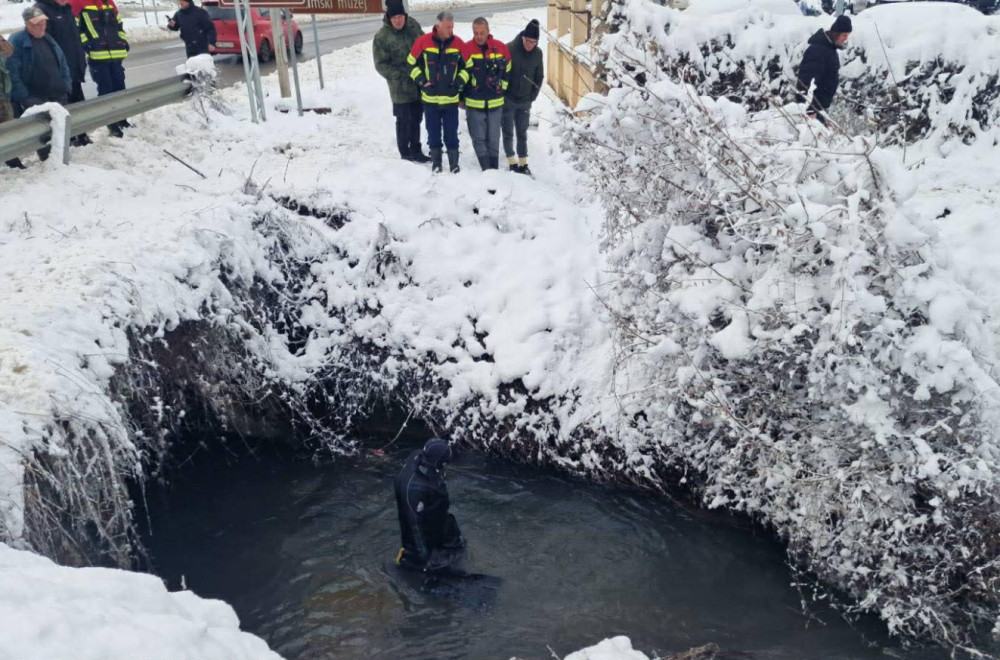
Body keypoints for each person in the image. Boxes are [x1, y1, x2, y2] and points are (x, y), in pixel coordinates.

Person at [7, 6, 72, 161]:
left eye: (43, 23)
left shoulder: (47, 38)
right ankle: (48, 162)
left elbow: (62, 64)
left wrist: (66, 87)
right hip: (35, 98)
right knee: (43, 134)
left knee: (60, 132)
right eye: (37, 24)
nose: (42, 26)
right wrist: (25, 97)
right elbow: (12, 73)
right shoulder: (17, 41)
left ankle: (61, 161)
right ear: (27, 24)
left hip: (57, 94)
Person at [407, 11, 469, 173]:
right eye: (448, 27)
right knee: (433, 133)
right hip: (430, 100)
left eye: (452, 27)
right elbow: (410, 64)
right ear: (438, 26)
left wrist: (458, 82)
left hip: (451, 100)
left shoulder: (458, 44)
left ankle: (454, 164)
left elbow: (468, 67)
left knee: (451, 134)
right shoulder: (423, 42)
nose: (451, 30)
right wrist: (422, 82)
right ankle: (436, 163)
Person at [394, 438, 466, 572]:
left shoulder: (419, 456)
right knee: (421, 555)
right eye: (444, 463)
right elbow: (413, 525)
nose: (445, 466)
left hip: (432, 510)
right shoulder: (417, 488)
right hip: (417, 518)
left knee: (453, 536)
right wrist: (424, 558)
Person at [373, 0, 429, 163]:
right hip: (399, 87)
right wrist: (398, 76)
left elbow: (425, 44)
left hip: (418, 82)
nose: (398, 20)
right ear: (389, 18)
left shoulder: (413, 26)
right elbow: (380, 64)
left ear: (405, 15)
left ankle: (416, 150)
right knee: (403, 120)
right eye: (394, 18)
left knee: (417, 117)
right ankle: (405, 154)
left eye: (400, 17)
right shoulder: (382, 37)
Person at [35, 0, 91, 146]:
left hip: (73, 67)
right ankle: (68, 139)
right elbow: (42, 43)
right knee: (63, 107)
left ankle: (82, 135)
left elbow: (75, 38)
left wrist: (80, 61)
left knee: (78, 103)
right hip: (58, 71)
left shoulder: (66, 10)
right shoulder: (41, 9)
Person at [461, 17, 510, 171]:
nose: (479, 36)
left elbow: (508, 69)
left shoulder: (500, 48)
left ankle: (494, 170)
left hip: (496, 103)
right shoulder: (466, 49)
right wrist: (461, 98)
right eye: (476, 33)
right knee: (479, 139)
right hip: (474, 104)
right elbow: (461, 75)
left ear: (488, 31)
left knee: (494, 139)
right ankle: (486, 169)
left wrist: (502, 88)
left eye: (482, 33)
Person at [78, 0, 130, 137]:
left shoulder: (109, 2)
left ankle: (122, 120)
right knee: (106, 90)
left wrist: (122, 40)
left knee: (120, 88)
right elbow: (76, 28)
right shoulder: (78, 2)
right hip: (98, 56)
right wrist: (87, 43)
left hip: (116, 54)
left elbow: (119, 24)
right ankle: (111, 124)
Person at [503, 19, 543, 175]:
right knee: (508, 131)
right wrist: (503, 94)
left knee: (522, 132)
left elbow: (539, 77)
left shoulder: (538, 54)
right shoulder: (509, 49)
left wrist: (532, 96)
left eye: (533, 42)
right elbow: (501, 72)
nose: (530, 45)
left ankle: (523, 163)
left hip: (525, 100)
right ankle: (511, 161)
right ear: (523, 37)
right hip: (509, 99)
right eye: (528, 41)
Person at [796, 14, 851, 124]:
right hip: (812, 110)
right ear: (836, 33)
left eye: (847, 35)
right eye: (844, 35)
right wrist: (809, 110)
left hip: (819, 108)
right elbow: (805, 80)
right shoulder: (818, 50)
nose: (846, 39)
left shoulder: (829, 49)